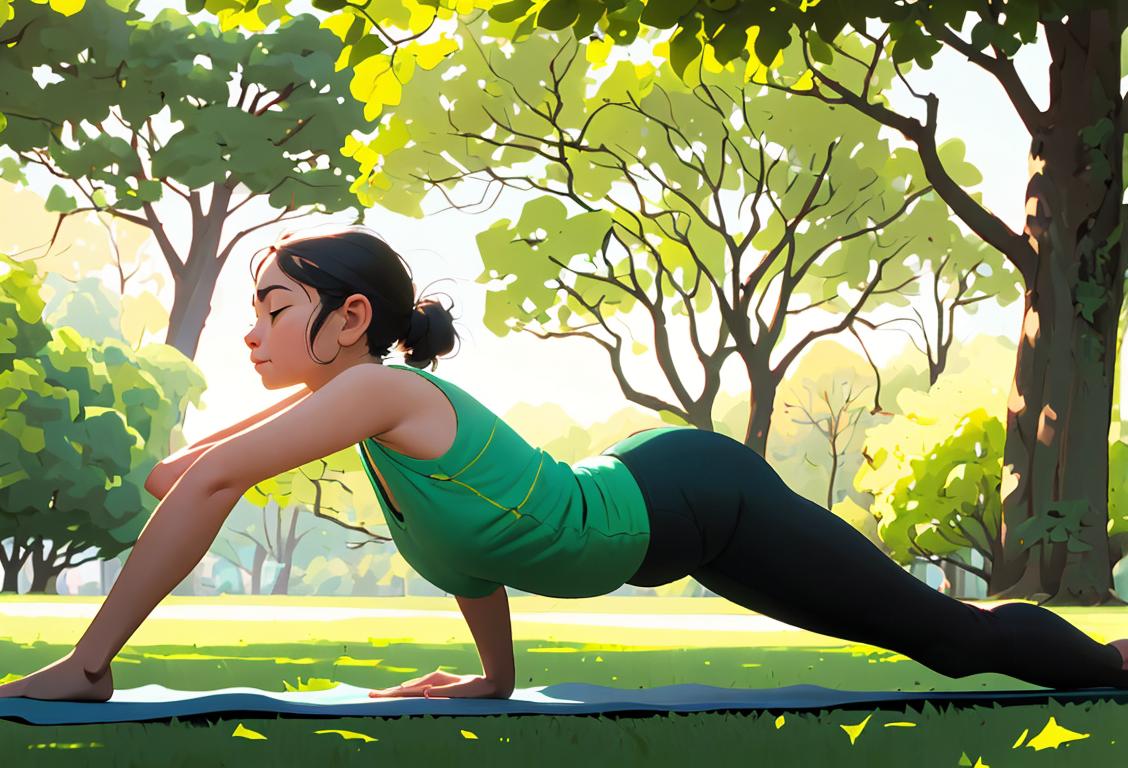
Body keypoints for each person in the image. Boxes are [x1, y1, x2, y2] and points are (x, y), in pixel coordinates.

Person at [3, 225, 1127, 703]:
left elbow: (204, 481)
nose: (249, 334)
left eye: (272, 309)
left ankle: (1118, 668)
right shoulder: (370, 423)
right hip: (653, 517)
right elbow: (178, 481)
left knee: (950, 643)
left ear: (351, 320)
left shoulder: (382, 394)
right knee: (942, 646)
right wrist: (493, 680)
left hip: (695, 495)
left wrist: (90, 664)